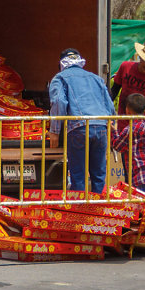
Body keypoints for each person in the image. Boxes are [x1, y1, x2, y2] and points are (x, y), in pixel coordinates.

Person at [48, 48, 115, 193]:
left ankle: (80, 210)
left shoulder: (60, 78)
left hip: (79, 127)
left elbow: (58, 101)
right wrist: (112, 122)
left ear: (61, 63)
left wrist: (54, 131)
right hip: (102, 126)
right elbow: (108, 102)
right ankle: (99, 210)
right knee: (99, 175)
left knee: (78, 176)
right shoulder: (96, 78)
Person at [112, 93, 145, 201]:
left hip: (140, 175)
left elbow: (118, 146)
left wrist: (113, 132)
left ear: (127, 111)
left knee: (141, 205)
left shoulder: (129, 130)